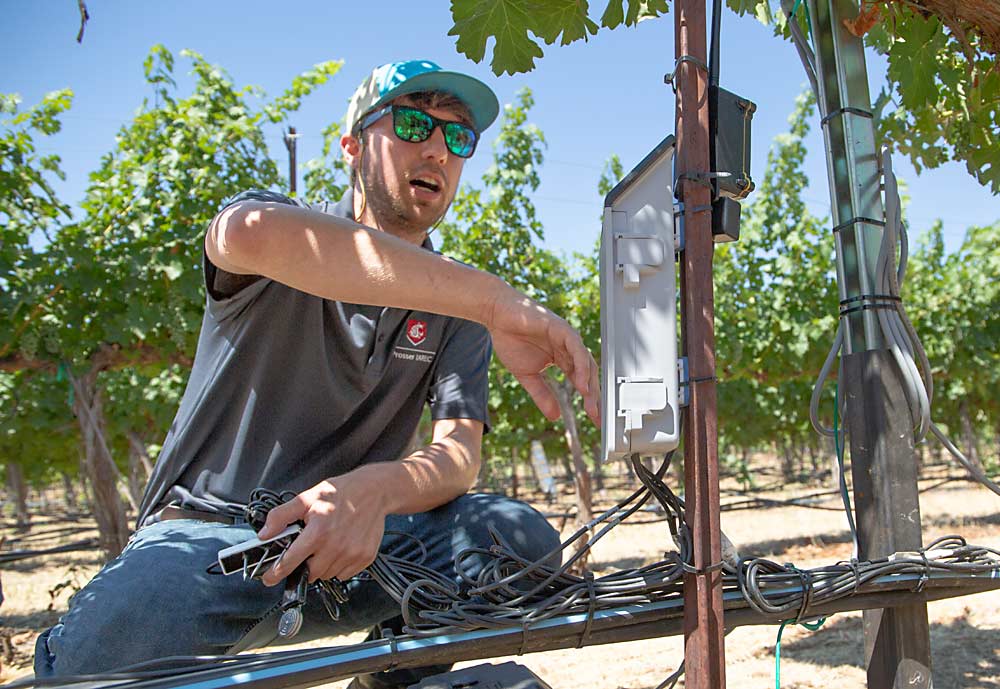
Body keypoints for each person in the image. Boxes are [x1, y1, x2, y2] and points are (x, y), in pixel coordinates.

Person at [34, 60, 600, 688]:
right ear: (353, 147)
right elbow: (245, 234)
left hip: (358, 541)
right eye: (414, 123)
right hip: (214, 540)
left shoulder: (459, 304)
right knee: (104, 654)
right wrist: (497, 301)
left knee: (513, 538)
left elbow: (459, 457)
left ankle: (392, 681)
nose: (438, 149)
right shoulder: (275, 231)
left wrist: (371, 492)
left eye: (458, 137)